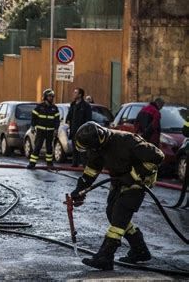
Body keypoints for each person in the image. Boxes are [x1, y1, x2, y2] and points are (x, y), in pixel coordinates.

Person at [70, 121, 164, 271]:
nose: (89, 152)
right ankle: (140, 250)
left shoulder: (127, 141)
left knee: (120, 214)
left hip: (138, 182)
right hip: (119, 181)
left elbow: (158, 156)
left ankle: (105, 256)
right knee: (112, 213)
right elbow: (91, 172)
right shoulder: (97, 148)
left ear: (96, 143)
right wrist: (80, 190)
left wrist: (134, 175)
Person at [27, 89, 60, 169]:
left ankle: (49, 164)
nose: (51, 98)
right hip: (41, 131)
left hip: (50, 131)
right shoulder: (39, 107)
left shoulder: (54, 108)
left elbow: (57, 120)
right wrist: (32, 126)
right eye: (50, 96)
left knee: (49, 147)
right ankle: (32, 163)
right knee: (38, 146)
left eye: (52, 96)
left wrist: (56, 129)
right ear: (45, 97)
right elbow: (34, 117)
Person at [66, 88, 92, 167]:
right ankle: (75, 163)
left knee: (83, 148)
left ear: (80, 95)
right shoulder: (73, 105)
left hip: (82, 131)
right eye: (74, 92)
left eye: (75, 93)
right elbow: (69, 116)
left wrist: (86, 130)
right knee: (75, 147)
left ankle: (85, 164)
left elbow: (88, 119)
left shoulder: (85, 106)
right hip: (73, 130)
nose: (73, 94)